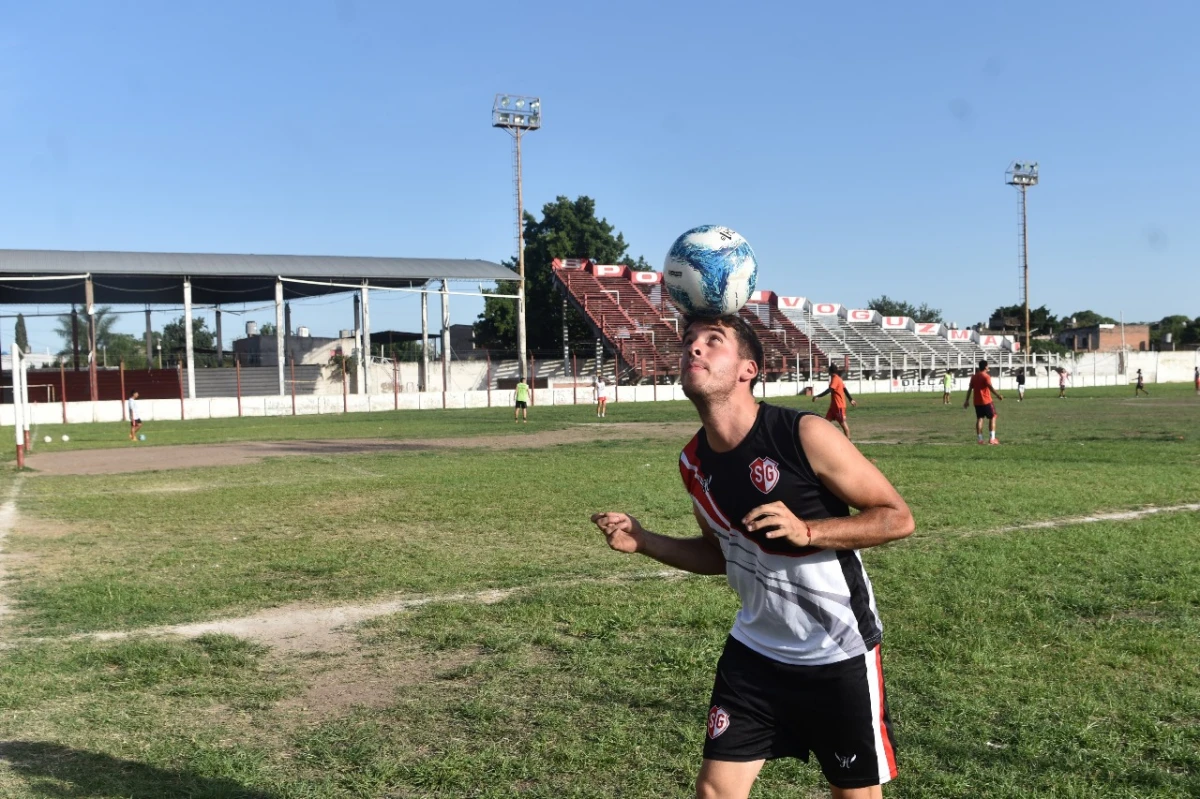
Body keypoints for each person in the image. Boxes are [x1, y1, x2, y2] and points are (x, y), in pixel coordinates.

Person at [592, 314, 914, 799]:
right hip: (755, 652)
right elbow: (719, 554)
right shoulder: (692, 462)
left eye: (712, 342)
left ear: (748, 369)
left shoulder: (802, 434)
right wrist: (645, 540)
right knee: (715, 791)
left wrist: (809, 531)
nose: (693, 350)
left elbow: (896, 517)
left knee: (854, 795)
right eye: (689, 342)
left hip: (835, 649)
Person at [813, 363, 857, 440]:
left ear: (830, 371)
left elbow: (830, 389)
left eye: (828, 371)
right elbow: (844, 389)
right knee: (825, 423)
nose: (828, 372)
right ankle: (823, 440)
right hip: (833, 407)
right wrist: (850, 399)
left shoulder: (836, 379)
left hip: (838, 406)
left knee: (844, 425)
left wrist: (818, 396)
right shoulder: (838, 378)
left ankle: (849, 442)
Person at [964, 360, 1003, 445]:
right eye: (988, 366)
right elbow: (990, 387)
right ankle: (992, 438)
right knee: (993, 417)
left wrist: (967, 400)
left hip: (977, 402)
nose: (988, 367)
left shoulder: (973, 377)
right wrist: (998, 395)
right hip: (986, 401)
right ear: (985, 367)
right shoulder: (986, 376)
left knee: (980, 418)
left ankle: (980, 439)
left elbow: (970, 389)